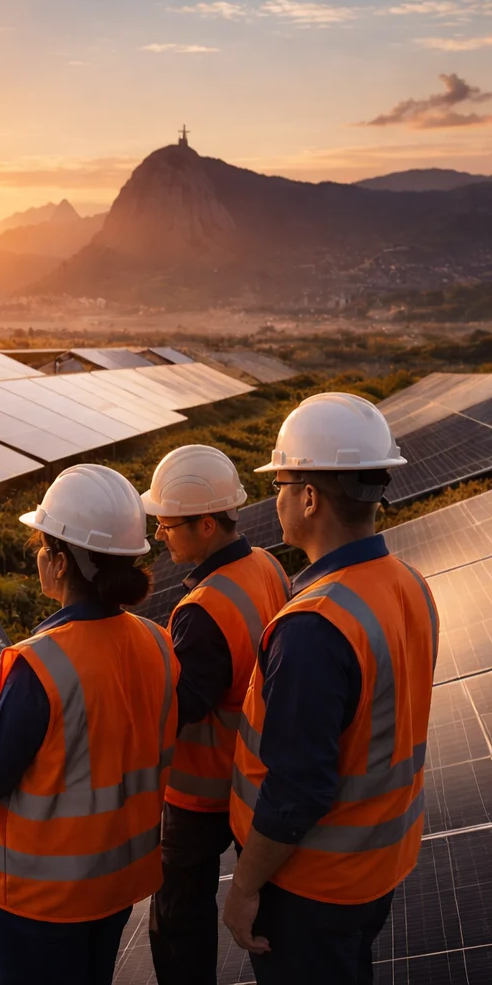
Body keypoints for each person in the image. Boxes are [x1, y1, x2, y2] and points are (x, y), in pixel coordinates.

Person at [0, 463, 179, 985]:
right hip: (116, 884)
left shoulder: (41, 664)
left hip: (41, 903)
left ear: (56, 562)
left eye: (41, 546)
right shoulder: (157, 640)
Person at [224, 392, 439, 984]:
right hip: (373, 868)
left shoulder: (314, 626)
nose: (277, 498)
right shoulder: (409, 585)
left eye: (282, 483)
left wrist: (244, 888)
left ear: (311, 496)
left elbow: (298, 789)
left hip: (309, 886)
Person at [141, 444, 290, 985]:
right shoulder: (267, 565)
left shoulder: (202, 610)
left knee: (180, 922)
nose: (159, 535)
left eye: (167, 524)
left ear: (206, 525)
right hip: (252, 777)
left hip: (199, 793)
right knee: (269, 914)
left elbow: (178, 709)